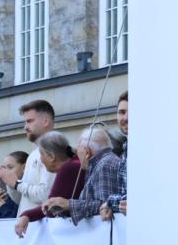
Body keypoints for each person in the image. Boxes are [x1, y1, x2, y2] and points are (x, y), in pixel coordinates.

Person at [41, 124, 123, 225]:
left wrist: (69, 204)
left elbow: (105, 206)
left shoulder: (105, 164)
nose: (77, 156)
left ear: (87, 152)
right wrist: (65, 208)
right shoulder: (104, 162)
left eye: (78, 151)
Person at [15, 133, 82, 237]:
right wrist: (27, 215)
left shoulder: (68, 168)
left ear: (51, 156)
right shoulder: (75, 163)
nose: (40, 160)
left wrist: (27, 215)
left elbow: (50, 208)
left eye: (41, 154)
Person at [0, 99, 57, 212]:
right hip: (29, 226)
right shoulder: (33, 154)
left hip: (42, 226)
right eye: (25, 122)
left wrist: (17, 184)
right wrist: (10, 182)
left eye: (30, 121)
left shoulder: (53, 149)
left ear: (46, 121)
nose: (25, 127)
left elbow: (47, 195)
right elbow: (22, 200)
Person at [101, 90, 129, 220]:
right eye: (122, 112)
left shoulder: (153, 148)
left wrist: (110, 202)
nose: (126, 118)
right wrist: (107, 204)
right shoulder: (126, 148)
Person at [0, 151, 27, 219]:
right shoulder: (7, 192)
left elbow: (20, 219)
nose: (6, 172)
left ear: (24, 167)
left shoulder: (30, 191)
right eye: (5, 168)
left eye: (10, 167)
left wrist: (2, 207)